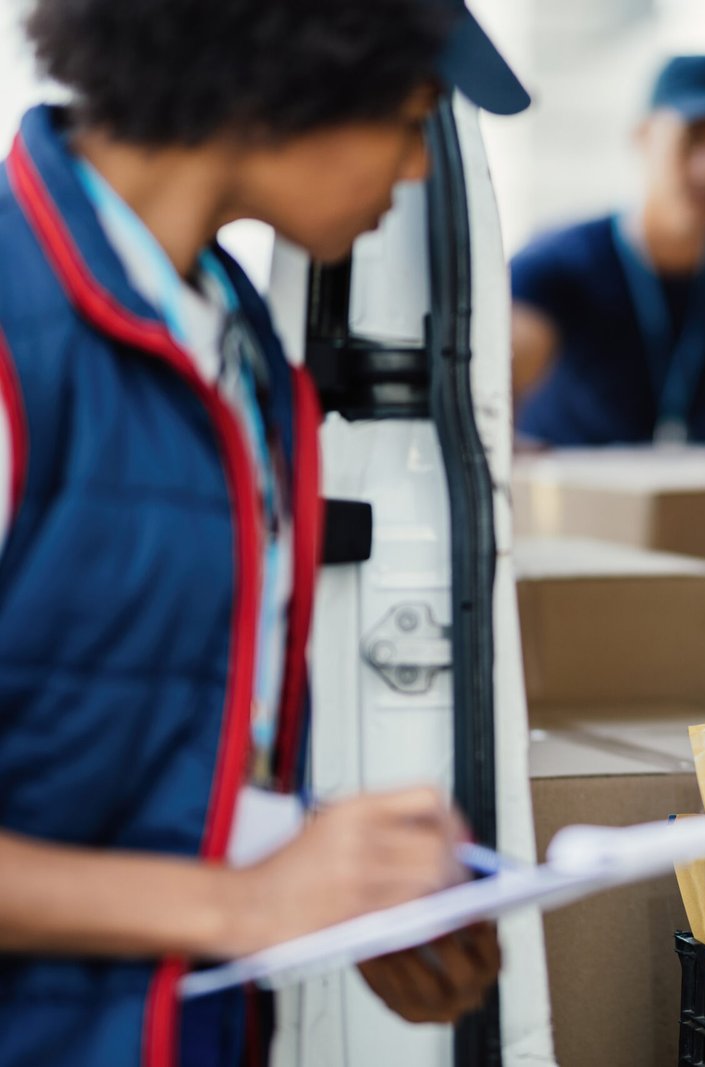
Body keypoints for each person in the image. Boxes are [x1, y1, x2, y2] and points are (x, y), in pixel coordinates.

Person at [0, 0, 530, 1062]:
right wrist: (239, 903)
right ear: (288, 79)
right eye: (410, 113)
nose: (415, 169)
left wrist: (333, 876)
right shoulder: (18, 343)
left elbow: (133, 747)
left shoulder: (236, 354)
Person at [509, 54, 705, 448]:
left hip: (697, 507)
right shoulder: (553, 267)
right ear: (644, 136)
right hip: (575, 503)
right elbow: (485, 402)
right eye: (694, 138)